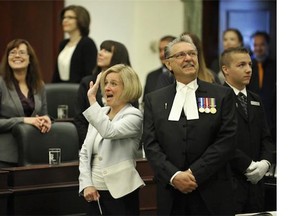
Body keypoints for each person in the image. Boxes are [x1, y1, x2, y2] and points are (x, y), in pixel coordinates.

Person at [143, 35, 237, 215]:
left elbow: (227, 141)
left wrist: (194, 173)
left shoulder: (222, 95)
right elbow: (151, 144)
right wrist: (174, 176)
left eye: (192, 54)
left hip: (212, 190)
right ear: (168, 64)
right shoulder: (154, 100)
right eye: (181, 55)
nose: (188, 58)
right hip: (171, 193)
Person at [79, 64, 144, 215]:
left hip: (121, 193)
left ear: (128, 87)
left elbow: (109, 131)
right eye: (105, 83)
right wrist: (86, 184)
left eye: (113, 84)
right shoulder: (99, 113)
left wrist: (91, 99)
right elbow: (84, 153)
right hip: (94, 193)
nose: (107, 87)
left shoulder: (134, 115)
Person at [220, 46, 275, 213]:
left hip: (257, 184)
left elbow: (266, 137)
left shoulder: (255, 99)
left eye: (250, 64)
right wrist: (249, 165)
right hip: (230, 181)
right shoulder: (217, 98)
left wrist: (265, 163)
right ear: (226, 70)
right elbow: (221, 140)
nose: (248, 70)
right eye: (241, 65)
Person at [0, 39, 52, 168]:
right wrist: (24, 120)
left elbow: (44, 114)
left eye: (22, 52)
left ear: (30, 58)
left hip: (34, 153)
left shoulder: (39, 85)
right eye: (12, 52)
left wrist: (47, 120)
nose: (17, 56)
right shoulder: (1, 84)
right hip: (5, 157)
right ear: (7, 58)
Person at [74, 40, 133, 147]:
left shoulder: (127, 85)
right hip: (91, 145)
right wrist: (89, 146)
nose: (100, 53)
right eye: (101, 49)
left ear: (118, 56)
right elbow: (80, 120)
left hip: (119, 145)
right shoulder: (87, 83)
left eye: (107, 51)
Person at [52, 5, 97, 83]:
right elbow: (56, 73)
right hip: (60, 89)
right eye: (64, 17)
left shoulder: (87, 43)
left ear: (81, 20)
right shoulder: (63, 44)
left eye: (70, 17)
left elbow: (89, 74)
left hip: (78, 90)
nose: (65, 20)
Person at [247, 31, 276, 143]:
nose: (258, 48)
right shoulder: (247, 67)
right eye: (255, 45)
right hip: (251, 118)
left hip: (272, 119)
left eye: (262, 45)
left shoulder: (276, 66)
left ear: (268, 45)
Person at [143, 35, 176, 101]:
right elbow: (145, 103)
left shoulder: (183, 75)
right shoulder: (151, 76)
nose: (161, 54)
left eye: (165, 50)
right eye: (160, 50)